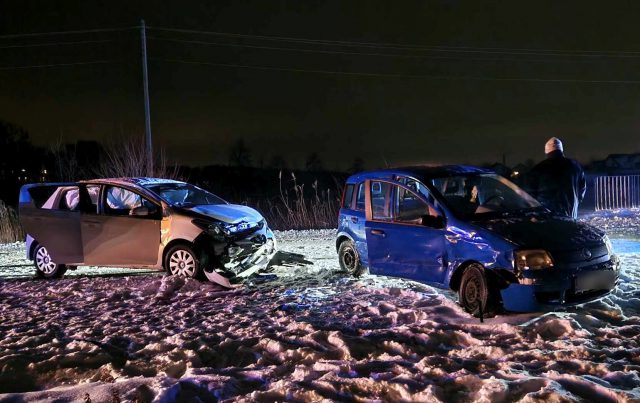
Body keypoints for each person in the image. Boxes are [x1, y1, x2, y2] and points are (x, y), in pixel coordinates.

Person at [527, 137, 586, 219]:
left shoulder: (538, 169)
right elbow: (582, 189)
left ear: (547, 151)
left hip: (546, 217)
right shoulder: (575, 167)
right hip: (570, 214)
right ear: (561, 150)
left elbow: (530, 195)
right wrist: (575, 202)